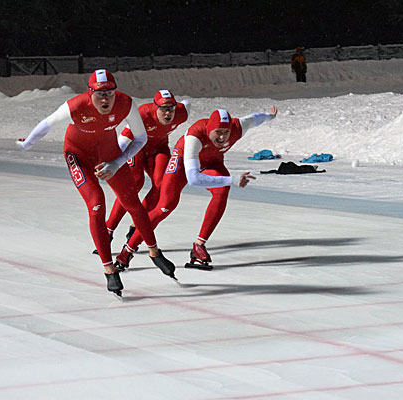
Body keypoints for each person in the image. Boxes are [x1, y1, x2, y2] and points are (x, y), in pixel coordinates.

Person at [16, 69, 176, 297]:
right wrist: (28, 143)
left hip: (109, 154)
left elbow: (140, 138)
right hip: (78, 155)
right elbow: (48, 123)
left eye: (110, 93)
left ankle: (154, 251)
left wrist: (117, 163)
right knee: (96, 203)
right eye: (100, 94)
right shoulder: (77, 105)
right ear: (90, 93)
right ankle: (109, 269)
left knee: (133, 202)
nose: (105, 99)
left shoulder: (125, 103)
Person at [115, 106, 278, 271]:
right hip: (183, 162)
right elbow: (193, 179)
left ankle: (199, 246)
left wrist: (270, 116)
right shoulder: (196, 135)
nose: (222, 137)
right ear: (209, 129)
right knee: (165, 206)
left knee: (222, 190)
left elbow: (255, 118)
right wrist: (232, 179)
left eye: (226, 132)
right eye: (218, 132)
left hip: (212, 162)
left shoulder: (238, 127)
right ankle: (127, 251)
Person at [103, 89, 191, 246]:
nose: (167, 113)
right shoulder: (142, 115)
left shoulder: (181, 113)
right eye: (163, 109)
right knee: (135, 183)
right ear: (155, 107)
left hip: (159, 148)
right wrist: (112, 162)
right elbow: (123, 139)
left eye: (171, 109)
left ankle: (137, 225)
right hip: (137, 148)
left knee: (161, 186)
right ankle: (109, 229)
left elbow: (187, 104)